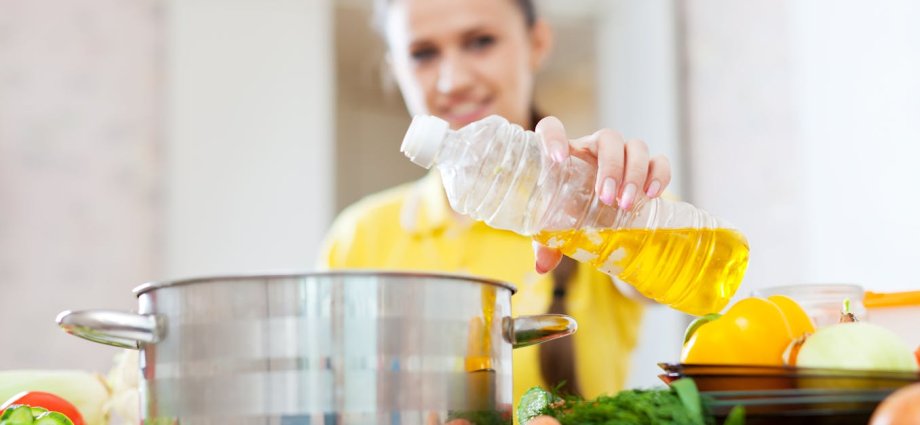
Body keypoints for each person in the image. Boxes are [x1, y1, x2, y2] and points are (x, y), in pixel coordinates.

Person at [318, 0, 672, 418]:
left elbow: (672, 273)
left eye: (481, 41)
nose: (453, 80)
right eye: (423, 53)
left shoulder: (600, 201)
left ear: (537, 43)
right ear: (397, 70)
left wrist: (619, 204)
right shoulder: (357, 237)